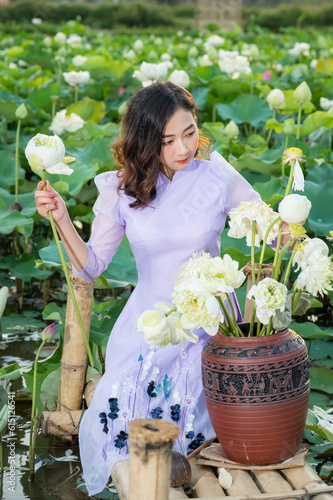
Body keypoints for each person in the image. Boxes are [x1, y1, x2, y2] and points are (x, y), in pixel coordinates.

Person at [35, 81, 262, 496]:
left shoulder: (217, 178)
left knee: (202, 410)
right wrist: (64, 218)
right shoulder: (121, 189)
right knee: (118, 417)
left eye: (190, 132)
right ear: (144, 140)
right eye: (168, 140)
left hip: (211, 325)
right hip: (151, 325)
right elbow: (93, 266)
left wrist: (288, 236)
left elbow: (265, 225)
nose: (183, 148)